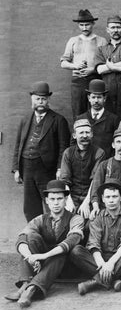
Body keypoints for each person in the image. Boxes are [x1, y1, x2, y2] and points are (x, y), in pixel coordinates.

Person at [4, 180, 84, 308]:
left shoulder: (75, 218)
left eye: (60, 198)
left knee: (62, 252)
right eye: (52, 199)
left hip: (66, 268)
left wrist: (43, 256)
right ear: (46, 201)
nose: (56, 203)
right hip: (44, 268)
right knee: (31, 237)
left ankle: (31, 289)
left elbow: (73, 239)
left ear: (65, 199)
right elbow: (22, 238)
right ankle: (25, 283)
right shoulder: (40, 219)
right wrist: (30, 257)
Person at [70, 180, 121, 295]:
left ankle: (96, 281)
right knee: (76, 251)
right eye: (108, 197)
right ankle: (113, 279)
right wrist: (103, 264)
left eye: (115, 196)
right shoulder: (97, 217)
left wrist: (111, 263)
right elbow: (93, 243)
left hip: (120, 258)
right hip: (99, 258)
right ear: (103, 199)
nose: (111, 200)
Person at [13, 81, 70, 221]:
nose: (40, 102)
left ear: (48, 100)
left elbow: (64, 147)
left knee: (50, 204)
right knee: (30, 207)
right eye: (37, 99)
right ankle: (34, 236)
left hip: (46, 169)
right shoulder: (25, 119)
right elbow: (18, 145)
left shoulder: (58, 120)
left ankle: (51, 236)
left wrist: (59, 168)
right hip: (27, 168)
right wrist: (16, 169)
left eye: (43, 99)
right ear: (32, 99)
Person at [60, 9, 107, 119]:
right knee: (78, 111)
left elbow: (106, 64)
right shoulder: (73, 40)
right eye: (81, 25)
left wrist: (92, 69)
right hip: (78, 81)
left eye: (87, 25)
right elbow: (63, 62)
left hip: (95, 80)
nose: (84, 28)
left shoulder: (102, 41)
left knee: (96, 110)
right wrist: (74, 66)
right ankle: (79, 134)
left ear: (93, 24)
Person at [59, 119, 106, 218]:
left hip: (91, 195)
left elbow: (96, 180)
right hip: (72, 196)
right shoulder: (68, 153)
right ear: (74, 135)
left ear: (92, 134)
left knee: (93, 220)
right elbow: (64, 180)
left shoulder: (99, 152)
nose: (85, 136)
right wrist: (69, 201)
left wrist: (86, 203)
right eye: (81, 133)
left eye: (87, 132)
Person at [89, 130, 121, 218]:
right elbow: (96, 188)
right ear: (113, 145)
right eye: (118, 142)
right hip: (106, 207)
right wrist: (95, 207)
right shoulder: (104, 165)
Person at [76, 79, 119, 157]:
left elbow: (116, 143)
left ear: (104, 98)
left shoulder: (113, 119)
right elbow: (74, 143)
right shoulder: (81, 118)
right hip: (85, 162)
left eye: (99, 97)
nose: (96, 100)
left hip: (105, 162)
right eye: (93, 97)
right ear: (89, 98)